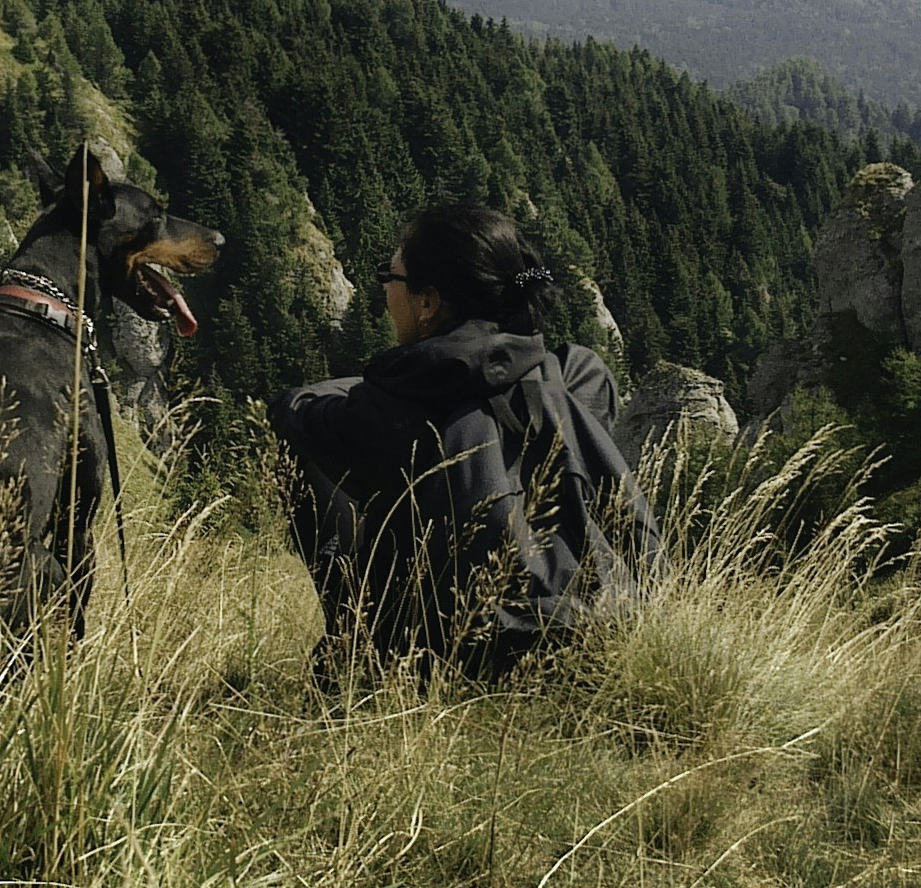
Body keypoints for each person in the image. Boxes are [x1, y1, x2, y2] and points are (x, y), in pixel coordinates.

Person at [268, 201, 660, 678]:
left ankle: (355, 644)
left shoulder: (392, 408)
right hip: (595, 624)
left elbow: (295, 412)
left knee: (303, 445)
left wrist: (365, 386)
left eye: (389, 279)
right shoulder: (570, 377)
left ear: (428, 302)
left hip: (452, 655)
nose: (384, 293)